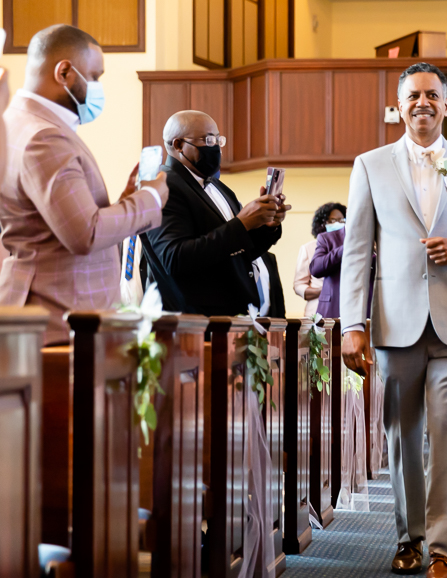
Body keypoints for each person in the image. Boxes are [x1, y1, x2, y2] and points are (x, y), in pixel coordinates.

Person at [339, 62, 447, 578]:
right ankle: (407, 540)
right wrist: (352, 324)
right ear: (399, 103)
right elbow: (357, 252)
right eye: (413, 95)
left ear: (446, 104)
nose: (423, 103)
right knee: (402, 435)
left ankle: (442, 549)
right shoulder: (370, 165)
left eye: (432, 95)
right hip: (395, 322)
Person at [0, 24, 168, 344]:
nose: (97, 86)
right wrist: (150, 198)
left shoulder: (20, 123)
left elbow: (58, 223)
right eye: (94, 77)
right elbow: (85, 233)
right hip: (60, 315)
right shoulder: (44, 136)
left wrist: (124, 202)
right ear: (64, 72)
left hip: (58, 312)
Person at [141, 110, 289, 317]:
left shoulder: (219, 188)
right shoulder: (163, 186)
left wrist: (266, 225)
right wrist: (242, 224)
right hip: (195, 320)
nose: (216, 147)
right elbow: (174, 258)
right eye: (208, 140)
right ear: (178, 145)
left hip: (234, 315)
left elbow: (240, 252)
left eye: (219, 139)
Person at [309, 215, 374, 319]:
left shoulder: (379, 239)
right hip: (333, 309)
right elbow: (316, 269)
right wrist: (347, 247)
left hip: (368, 310)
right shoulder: (327, 238)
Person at [294, 203, 345, 317]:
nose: (337, 224)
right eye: (332, 220)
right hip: (317, 310)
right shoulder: (308, 248)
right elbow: (299, 285)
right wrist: (325, 290)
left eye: (341, 220)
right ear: (321, 223)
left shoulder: (350, 246)